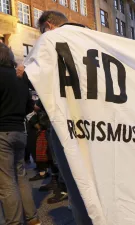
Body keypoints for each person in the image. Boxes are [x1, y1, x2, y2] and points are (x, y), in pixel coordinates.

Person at [24, 10, 93, 225]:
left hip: (67, 121)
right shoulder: (89, 38)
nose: (41, 34)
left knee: (75, 180)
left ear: (50, 25)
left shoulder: (52, 39)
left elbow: (33, 78)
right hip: (95, 121)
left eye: (41, 30)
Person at [0, 43, 40, 225]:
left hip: (2, 133)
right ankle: (32, 218)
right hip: (19, 131)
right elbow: (28, 107)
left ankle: (14, 222)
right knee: (21, 176)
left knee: (6, 182)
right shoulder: (19, 79)